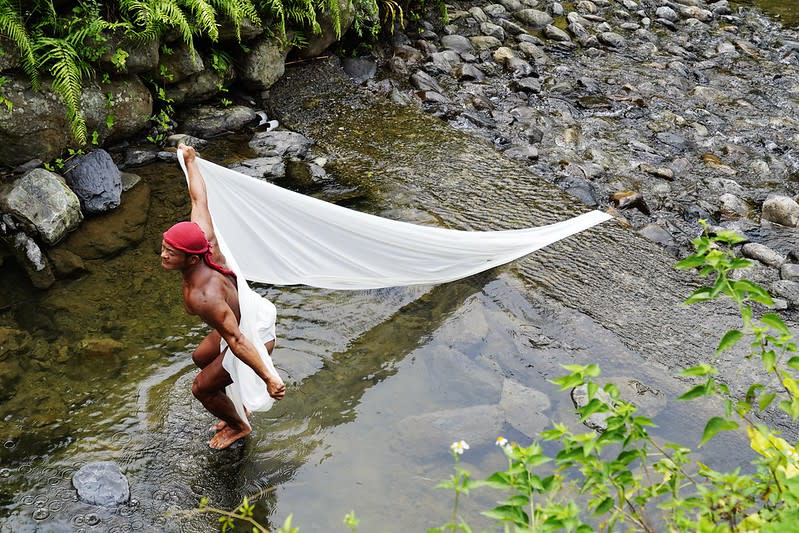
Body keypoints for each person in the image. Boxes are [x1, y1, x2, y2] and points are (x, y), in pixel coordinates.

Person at [161, 144, 286, 449]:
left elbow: (239, 341)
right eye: (164, 246)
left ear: (191, 259)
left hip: (253, 331)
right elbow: (198, 197)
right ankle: (235, 402)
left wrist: (269, 377)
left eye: (170, 252)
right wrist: (190, 162)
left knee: (201, 388)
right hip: (250, 310)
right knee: (200, 358)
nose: (163, 255)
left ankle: (238, 425)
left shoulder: (206, 297)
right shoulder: (204, 239)